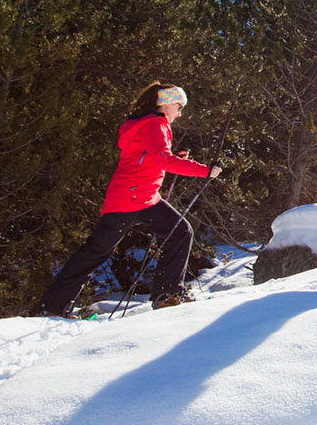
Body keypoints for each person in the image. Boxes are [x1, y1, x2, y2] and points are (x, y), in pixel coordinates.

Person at [32, 83, 222, 317]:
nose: (180, 113)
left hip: (143, 196)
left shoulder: (149, 122)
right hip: (130, 196)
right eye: (179, 106)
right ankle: (52, 305)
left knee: (180, 231)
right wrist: (204, 170)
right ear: (167, 103)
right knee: (98, 250)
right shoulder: (154, 123)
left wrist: (176, 158)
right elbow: (163, 160)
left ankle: (166, 295)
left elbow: (151, 157)